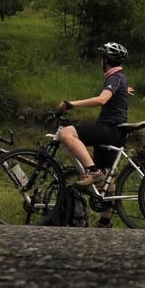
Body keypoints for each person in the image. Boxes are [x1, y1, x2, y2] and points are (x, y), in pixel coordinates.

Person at [55, 42, 131, 227]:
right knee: (108, 176)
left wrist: (71, 104)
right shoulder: (119, 78)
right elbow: (115, 93)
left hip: (109, 130)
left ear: (106, 60)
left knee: (66, 133)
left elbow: (102, 99)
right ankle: (105, 220)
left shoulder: (114, 77)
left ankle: (93, 171)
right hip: (116, 131)